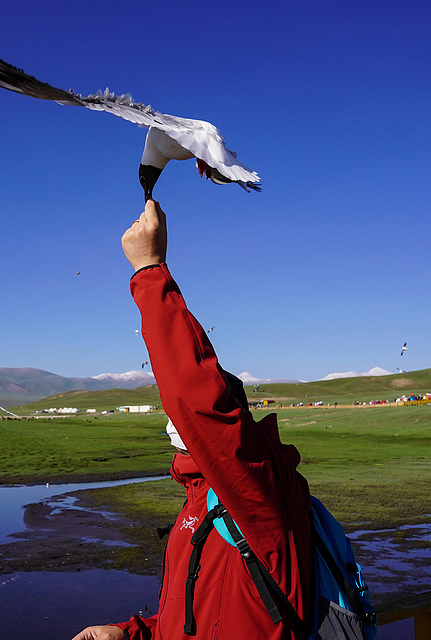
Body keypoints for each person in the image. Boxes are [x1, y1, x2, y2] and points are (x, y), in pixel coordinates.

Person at [72, 201, 311, 640]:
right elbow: (200, 616)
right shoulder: (201, 499)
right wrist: (132, 633)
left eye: (177, 412)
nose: (173, 418)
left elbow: (196, 400)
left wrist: (150, 270)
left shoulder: (256, 487)